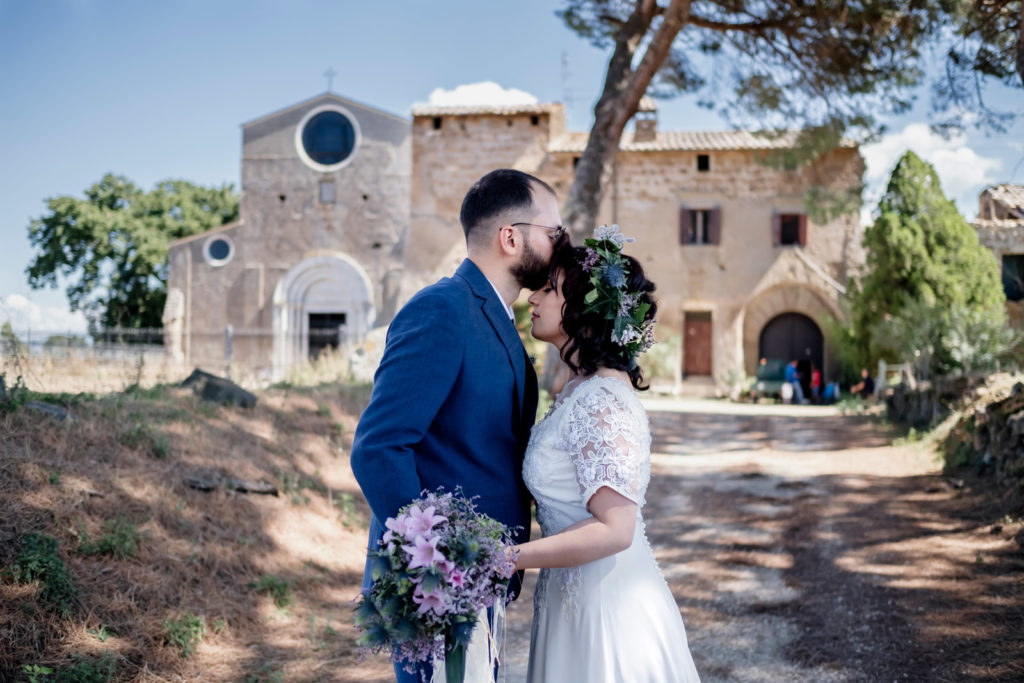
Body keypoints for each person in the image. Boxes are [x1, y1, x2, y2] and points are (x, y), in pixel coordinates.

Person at [350, 169, 563, 683]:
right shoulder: (442, 309)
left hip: (482, 579)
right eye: (552, 233)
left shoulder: (502, 323)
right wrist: (437, 567)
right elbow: (379, 447)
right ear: (511, 237)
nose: (561, 245)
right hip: (440, 587)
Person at [514, 226, 701, 682]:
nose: (532, 299)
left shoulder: (600, 400)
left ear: (582, 309)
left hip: (608, 610)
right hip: (572, 599)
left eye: (547, 290)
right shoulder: (579, 391)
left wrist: (509, 557)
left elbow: (616, 529)